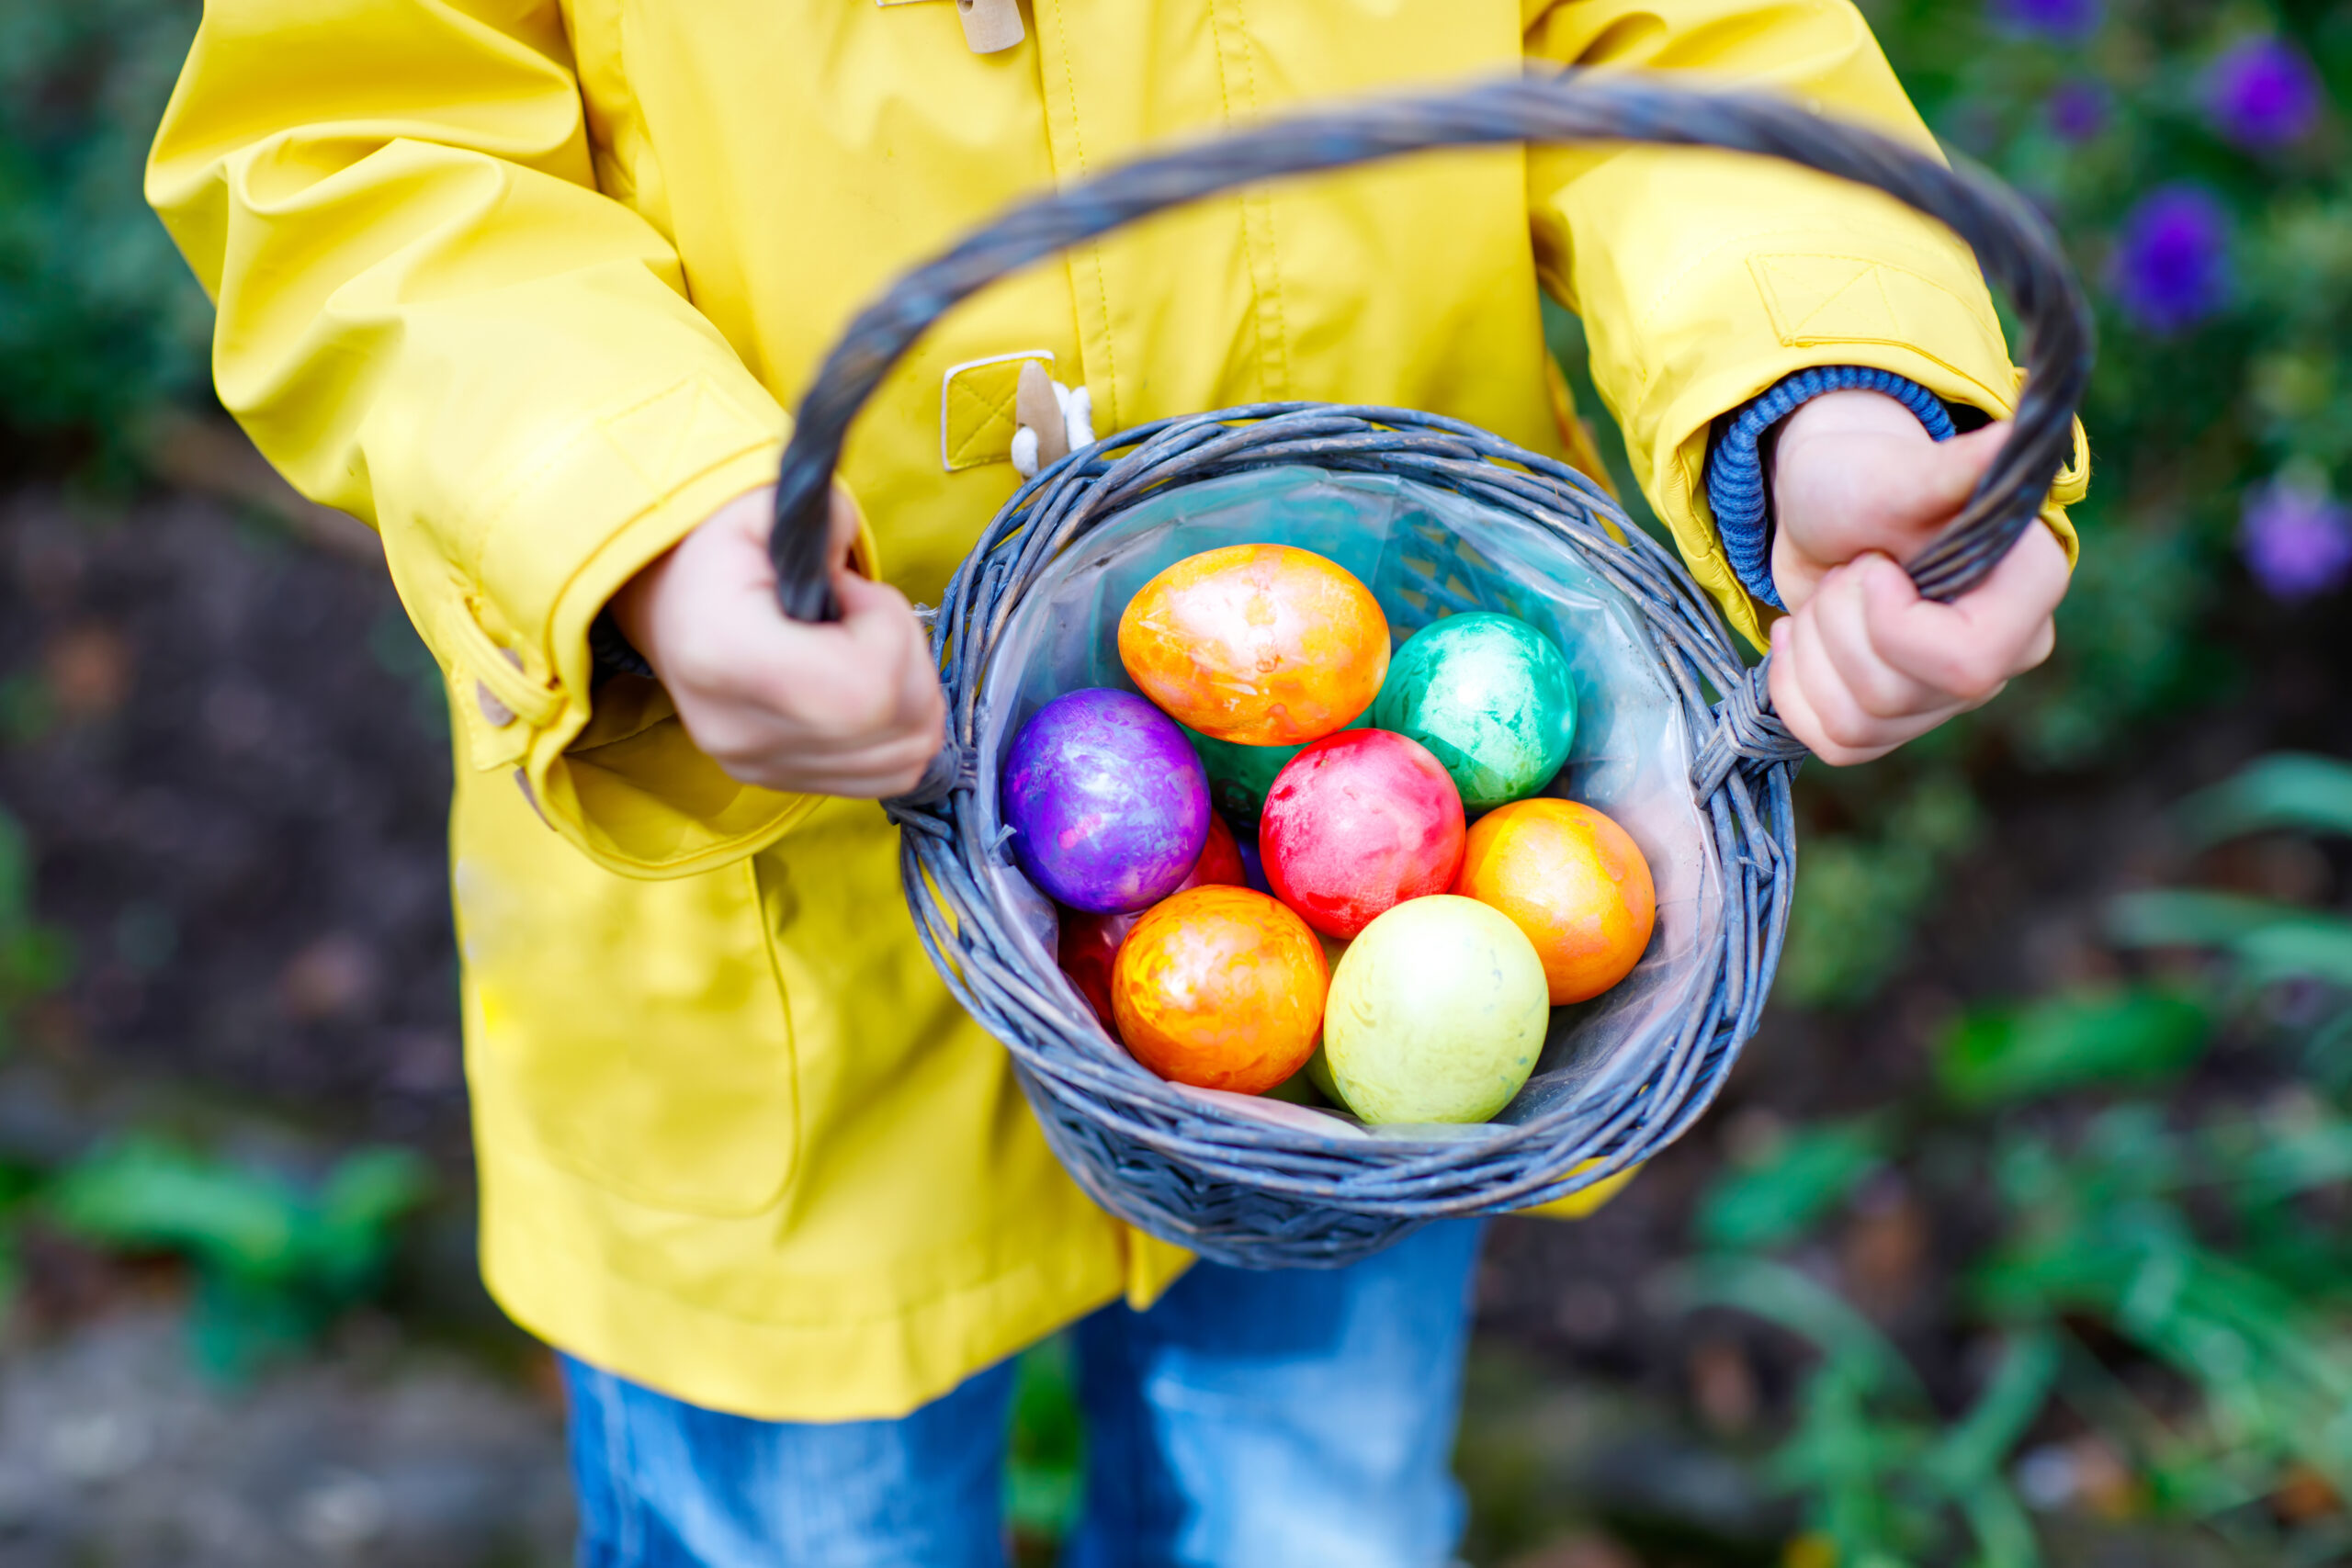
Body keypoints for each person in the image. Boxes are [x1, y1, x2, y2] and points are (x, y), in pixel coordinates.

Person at [148, 2, 2086, 1562]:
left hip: (1366, 1025)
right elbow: (364, 149)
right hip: (779, 957)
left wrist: (1824, 386)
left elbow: (1673, 33)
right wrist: (638, 525)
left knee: (1309, 1514)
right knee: (796, 1532)